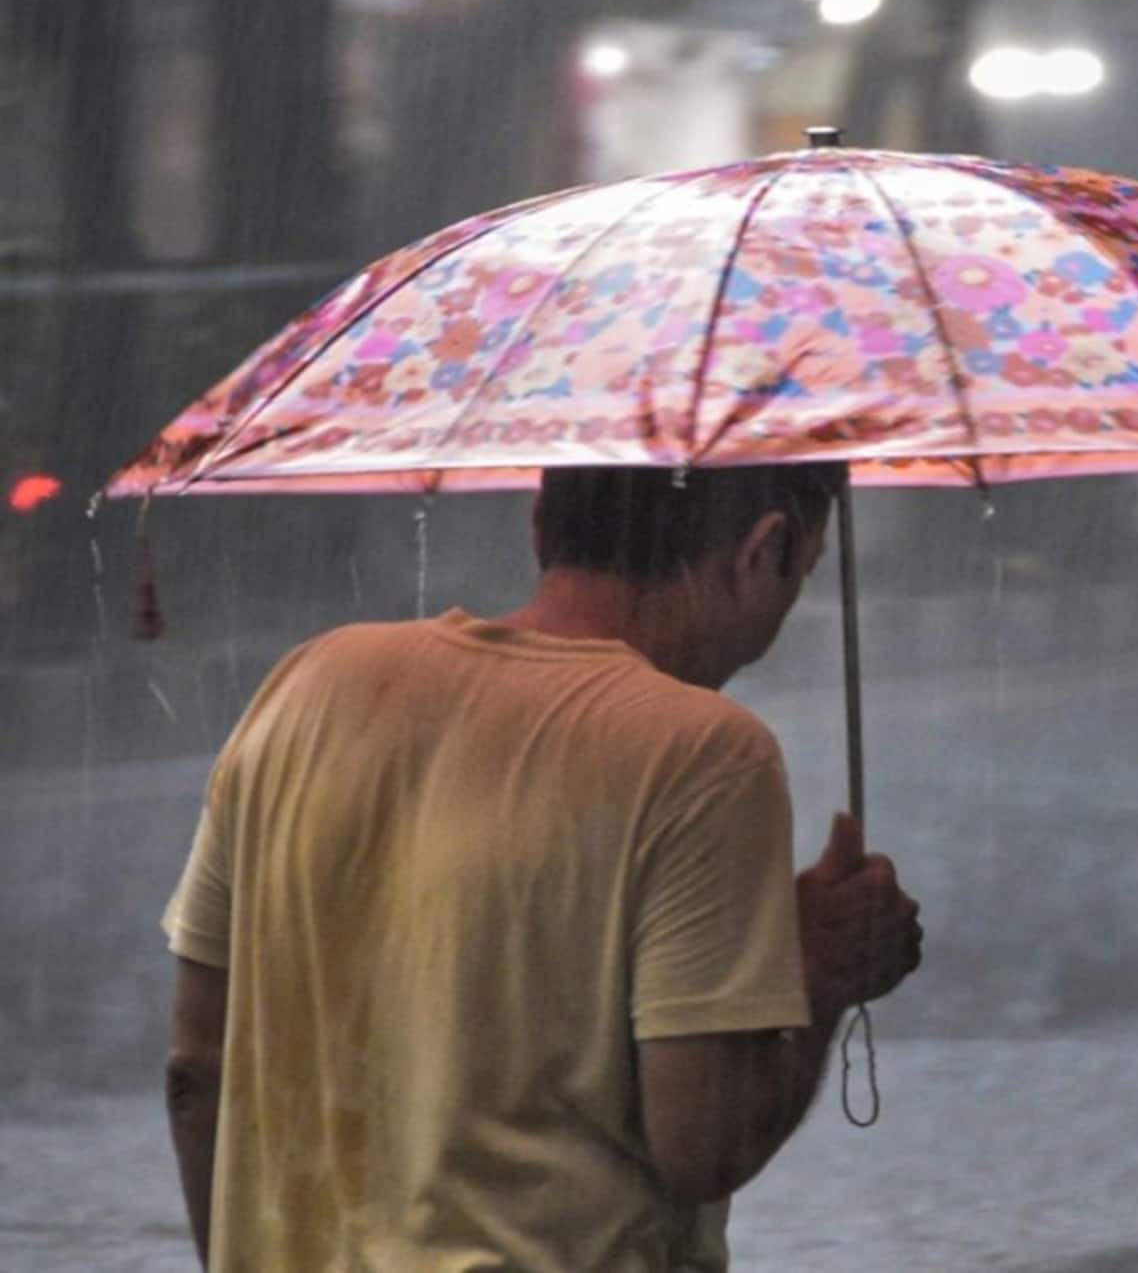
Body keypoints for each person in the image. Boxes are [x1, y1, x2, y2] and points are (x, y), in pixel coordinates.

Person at [160, 462, 923, 1272]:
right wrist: (821, 972)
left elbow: (194, 1068)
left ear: (539, 520)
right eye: (800, 573)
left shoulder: (307, 687)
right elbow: (702, 1141)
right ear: (762, 550)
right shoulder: (701, 753)